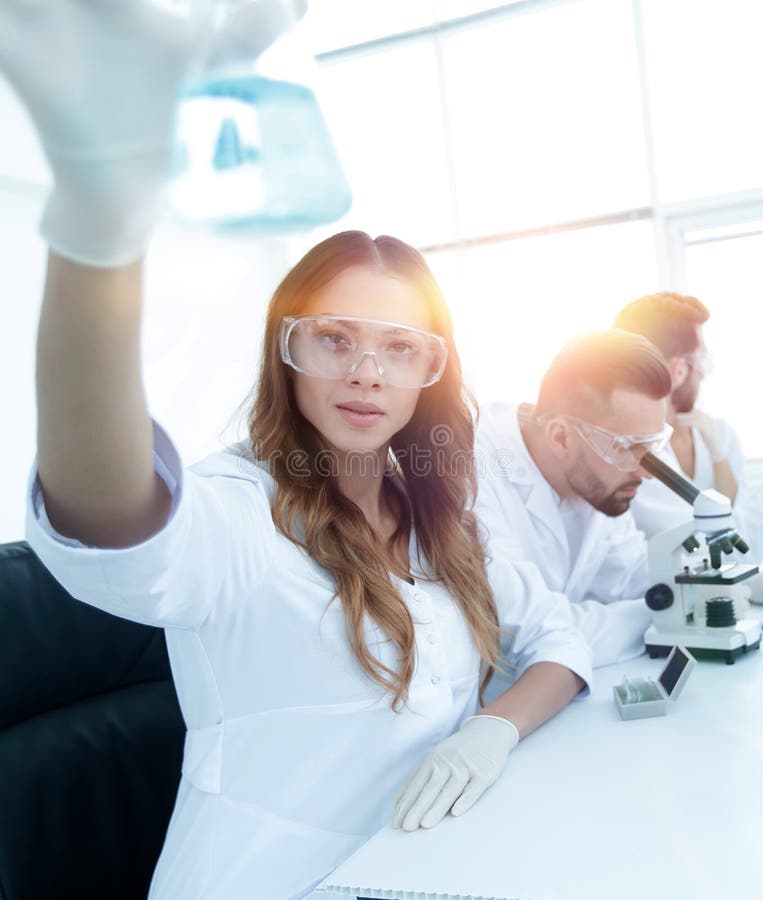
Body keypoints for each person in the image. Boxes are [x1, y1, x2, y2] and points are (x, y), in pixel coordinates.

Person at [2, 5, 590, 898]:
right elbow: (107, 512)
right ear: (285, 350)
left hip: (413, 874)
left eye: (400, 348)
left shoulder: (434, 517)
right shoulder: (242, 514)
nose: (365, 371)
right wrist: (99, 226)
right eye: (333, 338)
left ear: (431, 371)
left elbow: (558, 639)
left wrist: (494, 728)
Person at [475, 330, 674, 668]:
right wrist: (666, 612)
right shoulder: (472, 468)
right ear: (561, 437)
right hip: (499, 701)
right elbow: (532, 631)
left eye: (653, 448)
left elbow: (629, 574)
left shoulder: (596, 478)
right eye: (630, 449)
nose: (648, 472)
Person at [613, 291, 763, 562]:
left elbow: (738, 513)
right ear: (678, 370)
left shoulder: (718, 432)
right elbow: (699, 536)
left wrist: (718, 456)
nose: (704, 372)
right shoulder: (626, 453)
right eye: (701, 361)